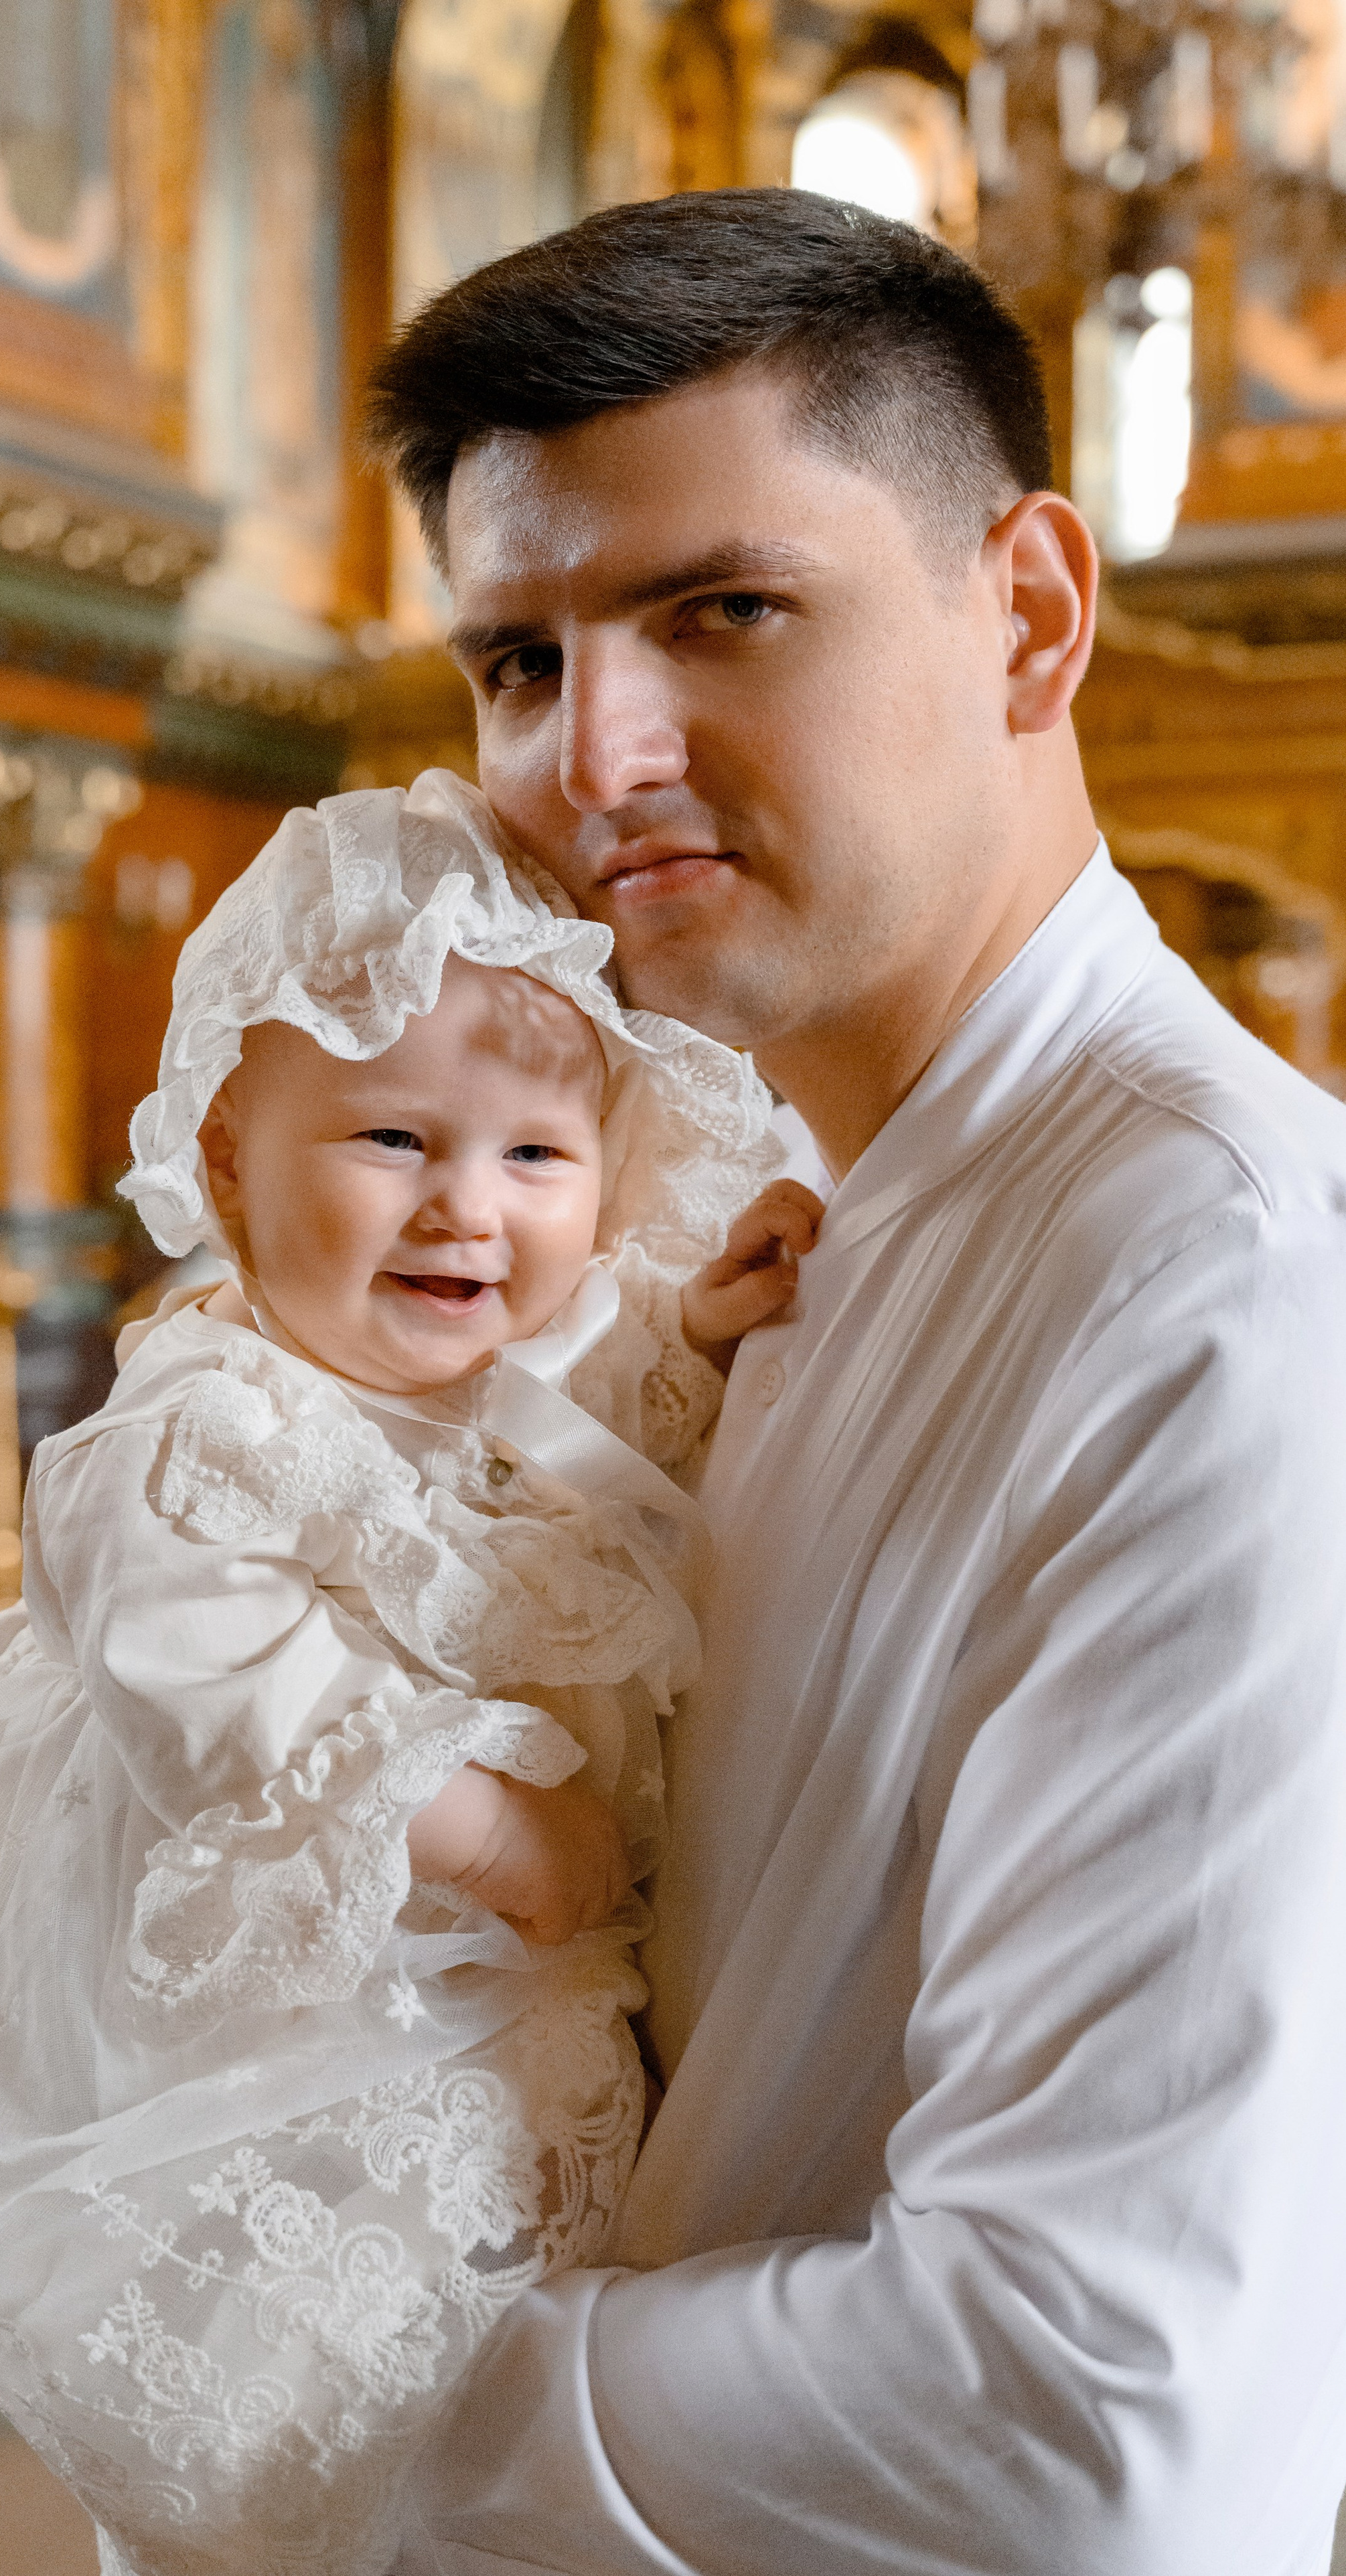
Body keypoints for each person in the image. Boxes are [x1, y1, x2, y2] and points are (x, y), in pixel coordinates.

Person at [364, 189, 1346, 2575]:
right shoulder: (762, 1231)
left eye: (724, 612)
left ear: (1024, 613)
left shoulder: (1223, 1286)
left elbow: (1082, 2423)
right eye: (515, 662)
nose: (599, 757)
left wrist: (335, 2388)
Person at [0, 770, 816, 2576]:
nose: (467, 1213)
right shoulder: (204, 1423)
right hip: (302, 2020)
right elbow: (217, 1682)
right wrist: (467, 1817)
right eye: (393, 1143)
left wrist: (696, 1341)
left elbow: (582, 1428)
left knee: (507, 2371)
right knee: (318, 2410)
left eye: (537, 1159)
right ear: (236, 1160)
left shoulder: (513, 1358)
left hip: (514, 2006)